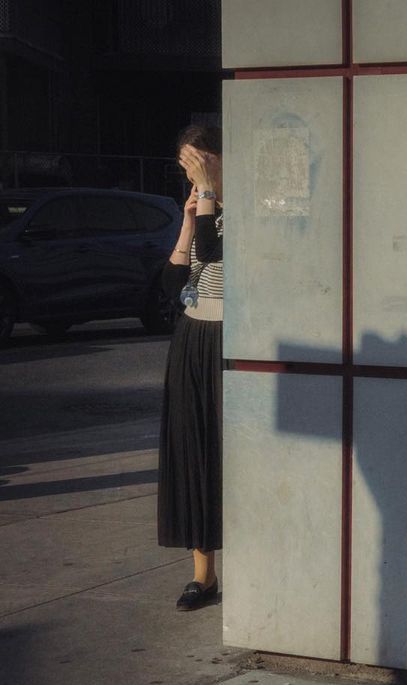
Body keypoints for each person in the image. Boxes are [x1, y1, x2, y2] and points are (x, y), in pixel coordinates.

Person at [157, 124, 225, 611]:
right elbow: (172, 286)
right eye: (187, 166)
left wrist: (207, 194)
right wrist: (186, 220)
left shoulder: (245, 208)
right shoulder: (200, 208)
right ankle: (204, 575)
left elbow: (214, 248)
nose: (193, 173)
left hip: (230, 338)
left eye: (199, 162)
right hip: (192, 337)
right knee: (194, 450)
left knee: (229, 451)